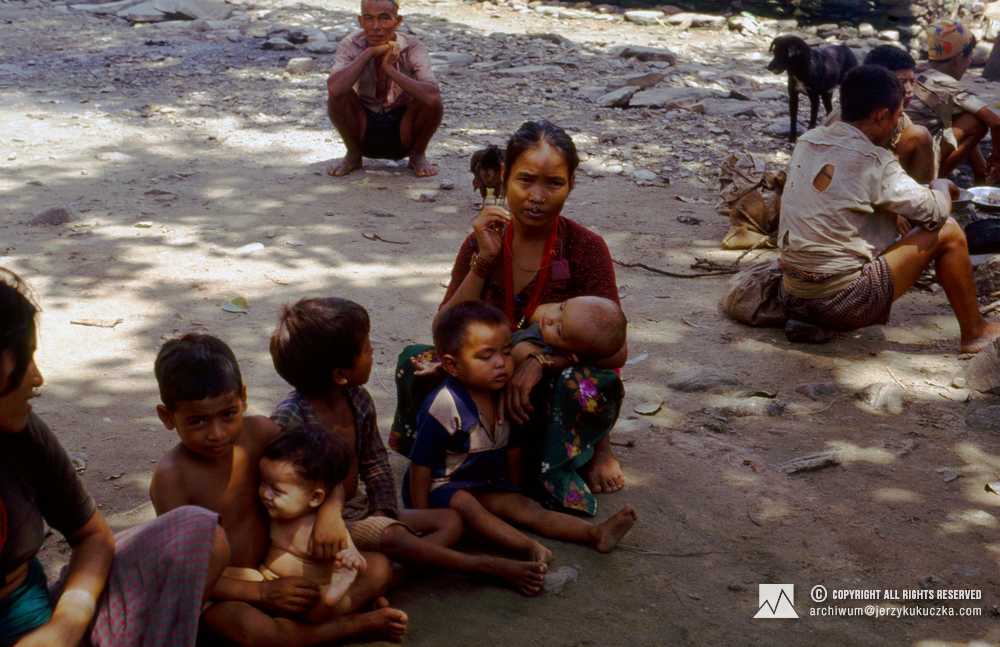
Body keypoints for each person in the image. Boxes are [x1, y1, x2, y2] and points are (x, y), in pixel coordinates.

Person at [392, 120, 628, 518]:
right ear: (504, 178)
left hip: (552, 379)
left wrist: (540, 360)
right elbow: (443, 331)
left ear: (571, 184)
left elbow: (616, 348)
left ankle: (591, 449)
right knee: (415, 361)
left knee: (580, 385)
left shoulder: (585, 247)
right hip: (492, 369)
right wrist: (482, 263)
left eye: (553, 183)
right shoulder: (482, 241)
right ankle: (454, 453)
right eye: (525, 180)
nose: (536, 197)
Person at [0, 268, 228, 647]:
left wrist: (65, 625)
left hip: (31, 616)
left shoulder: (22, 433)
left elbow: (92, 536)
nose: (37, 379)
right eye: (23, 360)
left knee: (196, 533)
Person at [269, 298, 547, 596]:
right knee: (396, 540)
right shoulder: (290, 418)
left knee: (450, 521)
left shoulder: (358, 400)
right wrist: (335, 518)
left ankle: (393, 573)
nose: (372, 349)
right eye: (365, 348)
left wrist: (383, 511)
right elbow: (282, 487)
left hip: (361, 509)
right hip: (321, 524)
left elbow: (375, 463)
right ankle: (480, 566)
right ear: (340, 374)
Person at [149, 333, 407, 646]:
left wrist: (330, 512)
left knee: (378, 568)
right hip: (230, 587)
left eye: (228, 414)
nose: (216, 433)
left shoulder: (261, 432)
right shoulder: (171, 478)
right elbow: (188, 572)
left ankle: (322, 614)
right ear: (167, 417)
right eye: (197, 421)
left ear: (242, 397)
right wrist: (261, 593)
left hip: (287, 560)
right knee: (252, 630)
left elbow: (323, 471)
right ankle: (350, 626)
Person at [779, 65, 1000, 353]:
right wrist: (942, 185)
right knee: (948, 231)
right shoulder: (874, 160)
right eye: (897, 117)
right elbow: (934, 212)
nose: (899, 125)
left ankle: (812, 320)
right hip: (840, 302)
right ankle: (975, 331)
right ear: (881, 115)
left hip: (791, 293)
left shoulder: (806, 142)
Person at [403, 301, 637, 564]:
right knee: (467, 506)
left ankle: (594, 534)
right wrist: (421, 515)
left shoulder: (507, 397)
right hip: (443, 488)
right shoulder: (445, 405)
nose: (501, 364)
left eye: (505, 353)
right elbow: (420, 466)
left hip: (484, 485)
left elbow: (513, 450)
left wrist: (514, 491)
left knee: (527, 508)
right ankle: (527, 547)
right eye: (485, 356)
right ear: (451, 365)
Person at [256, 429, 366, 621]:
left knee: (329, 601)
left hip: (309, 596)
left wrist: (351, 558)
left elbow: (356, 558)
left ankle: (334, 595)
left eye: (276, 490)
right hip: (270, 584)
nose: (265, 494)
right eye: (263, 483)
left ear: (315, 497)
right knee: (244, 576)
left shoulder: (322, 528)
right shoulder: (273, 513)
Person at [326, 0, 442, 177]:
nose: (376, 27)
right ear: (360, 21)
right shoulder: (351, 43)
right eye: (368, 18)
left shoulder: (413, 46)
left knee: (429, 99)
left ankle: (417, 155)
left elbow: (432, 96)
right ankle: (353, 154)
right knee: (339, 94)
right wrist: (369, 53)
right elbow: (334, 88)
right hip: (363, 125)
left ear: (398, 21)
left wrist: (389, 69)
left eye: (384, 18)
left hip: (404, 128)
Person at [826, 45, 936, 184]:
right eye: (902, 82)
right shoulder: (847, 116)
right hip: (847, 183)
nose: (909, 90)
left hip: (875, 174)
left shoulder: (897, 113)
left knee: (920, 135)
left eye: (912, 82)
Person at [908, 20, 1000, 183]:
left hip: (901, 152)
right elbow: (996, 122)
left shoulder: (919, 71)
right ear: (958, 58)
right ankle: (934, 180)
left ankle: (981, 174)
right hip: (915, 160)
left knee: (962, 115)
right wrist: (997, 158)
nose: (970, 61)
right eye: (969, 55)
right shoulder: (945, 84)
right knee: (976, 121)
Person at [512, 296, 627, 363]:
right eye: (561, 308)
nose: (550, 318)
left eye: (558, 330)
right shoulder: (547, 328)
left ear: (572, 355)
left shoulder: (541, 347)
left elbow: (518, 353)